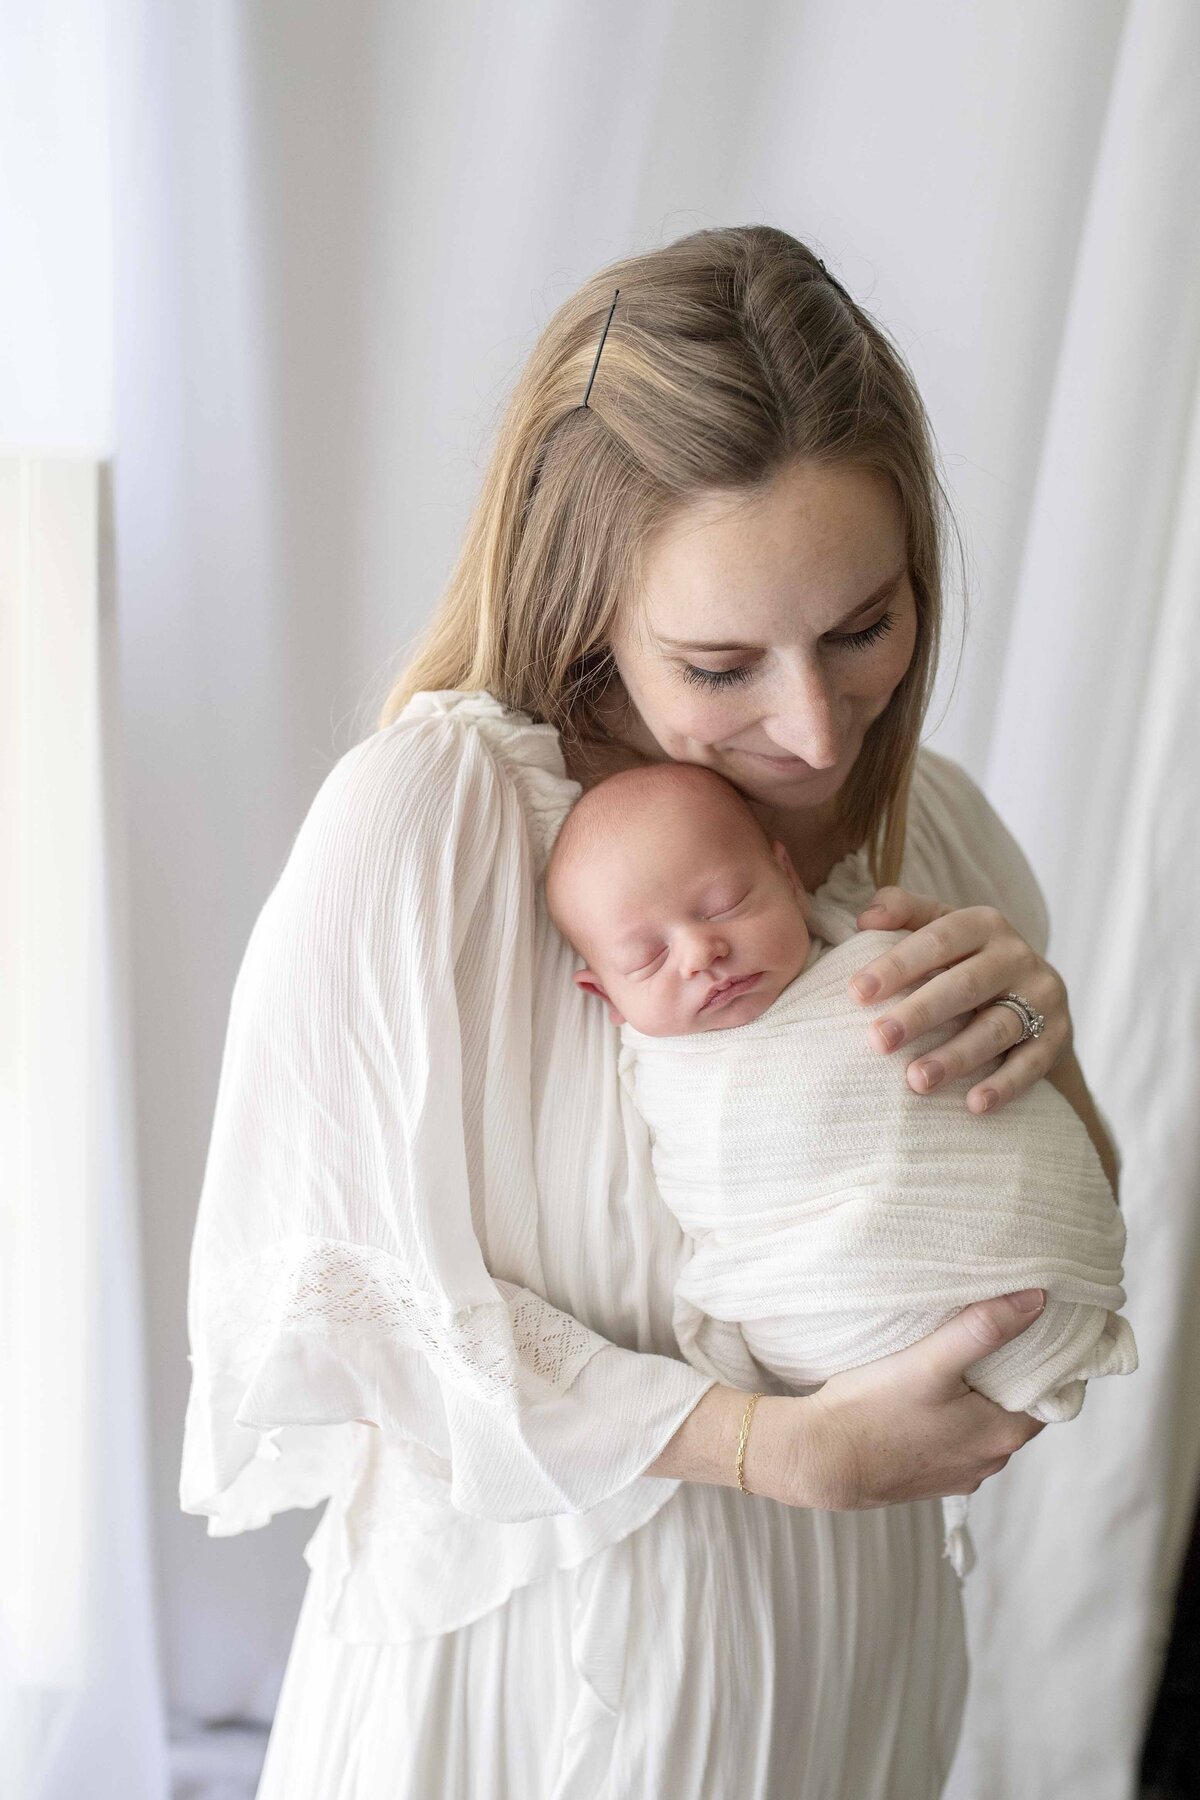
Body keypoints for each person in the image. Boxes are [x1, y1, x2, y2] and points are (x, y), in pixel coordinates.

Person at [179, 225, 1122, 1800]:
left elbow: (1043, 1264)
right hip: (526, 1709)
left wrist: (1052, 1066)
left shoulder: (935, 834)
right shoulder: (436, 830)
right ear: (587, 613)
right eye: (718, 662)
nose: (814, 729)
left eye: (862, 629)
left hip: (851, 1679)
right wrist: (761, 1447)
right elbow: (318, 1302)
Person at [544, 757, 1136, 1576]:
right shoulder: (672, 1081)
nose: (702, 952)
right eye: (646, 959)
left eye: (726, 904)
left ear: (787, 876)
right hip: (759, 1508)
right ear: (601, 996)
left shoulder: (895, 947)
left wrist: (1038, 1038)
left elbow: (1071, 1149)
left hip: (1038, 1304)